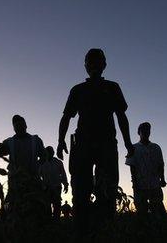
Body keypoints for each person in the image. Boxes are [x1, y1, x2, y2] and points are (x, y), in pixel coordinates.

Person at [57, 48, 133, 235]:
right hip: (82, 145)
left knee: (107, 189)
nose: (94, 65)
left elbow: (121, 116)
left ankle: (105, 229)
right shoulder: (78, 90)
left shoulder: (113, 87)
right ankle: (81, 231)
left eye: (98, 62)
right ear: (85, 66)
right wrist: (60, 141)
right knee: (80, 191)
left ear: (104, 65)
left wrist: (128, 143)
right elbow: (66, 117)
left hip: (107, 143)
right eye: (90, 62)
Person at [0, 115, 46, 205]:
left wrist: (37, 167)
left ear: (26, 125)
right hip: (15, 182)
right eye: (16, 125)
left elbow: (44, 156)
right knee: (13, 207)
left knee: (35, 206)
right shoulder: (9, 142)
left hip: (33, 180)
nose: (19, 127)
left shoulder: (36, 140)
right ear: (14, 128)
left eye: (21, 124)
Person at [125, 122, 166, 217]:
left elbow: (161, 165)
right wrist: (134, 184)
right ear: (139, 132)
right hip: (140, 185)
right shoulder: (133, 148)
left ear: (150, 132)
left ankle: (160, 229)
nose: (145, 132)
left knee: (158, 211)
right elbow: (132, 167)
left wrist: (162, 179)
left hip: (155, 184)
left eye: (147, 130)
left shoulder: (156, 147)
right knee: (141, 212)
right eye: (143, 130)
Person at [39, 146, 69, 220]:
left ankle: (56, 222)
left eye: (51, 152)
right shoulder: (41, 163)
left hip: (56, 187)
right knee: (47, 205)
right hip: (46, 188)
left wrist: (65, 184)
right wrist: (41, 185)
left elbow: (63, 174)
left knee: (57, 205)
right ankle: (48, 222)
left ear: (53, 153)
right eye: (48, 152)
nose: (50, 153)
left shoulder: (58, 162)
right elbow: (38, 176)